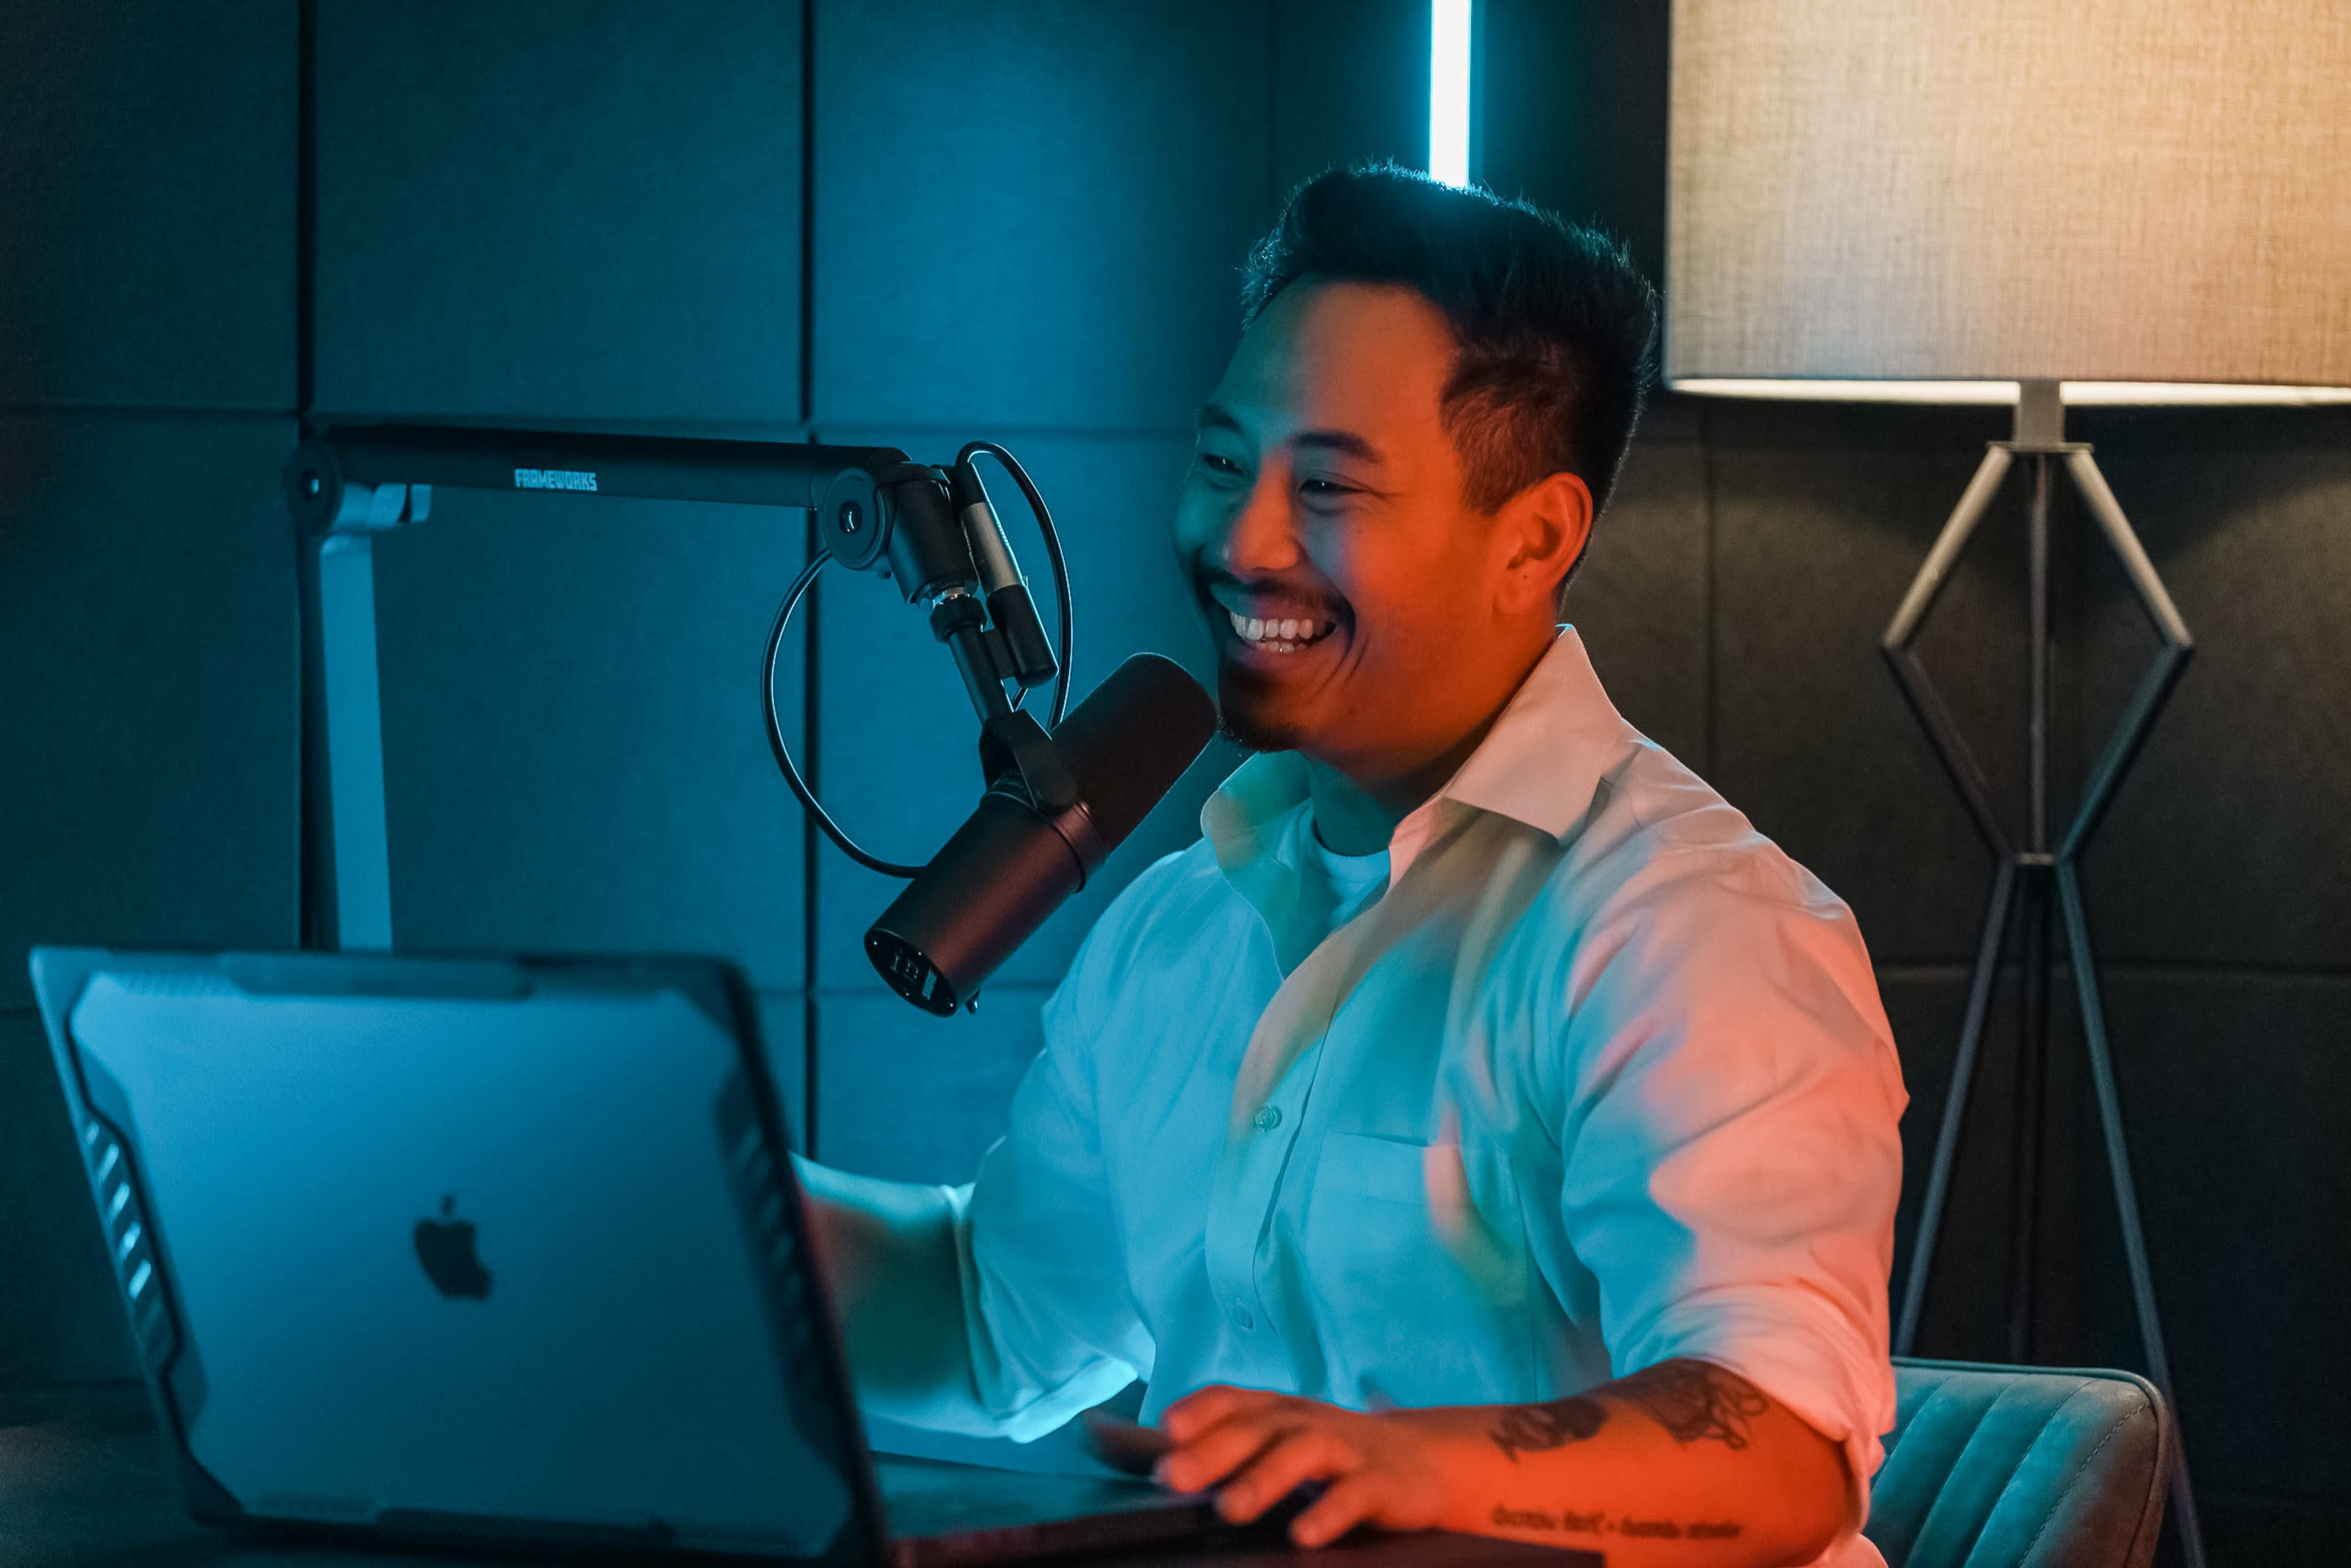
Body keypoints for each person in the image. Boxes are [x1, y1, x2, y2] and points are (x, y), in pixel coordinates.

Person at [797, 164, 1906, 1568]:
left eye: (1326, 485)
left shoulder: (1696, 930)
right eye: (1219, 464)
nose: (1242, 541)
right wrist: (692, 1208)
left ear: (1538, 536)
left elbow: (1776, 1454)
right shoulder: (1179, 926)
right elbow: (984, 1317)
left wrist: (1400, 1466)